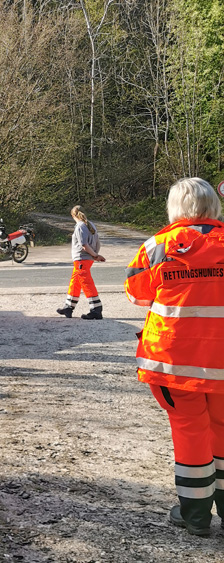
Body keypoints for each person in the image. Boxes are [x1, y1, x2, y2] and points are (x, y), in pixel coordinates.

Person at [126, 177, 224, 537]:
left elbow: (136, 295)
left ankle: (196, 516)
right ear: (214, 205)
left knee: (190, 432)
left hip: (175, 362)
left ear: (175, 209)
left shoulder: (159, 246)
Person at [56, 205, 105, 320]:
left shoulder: (79, 226)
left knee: (86, 283)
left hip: (81, 258)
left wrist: (94, 255)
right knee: (75, 282)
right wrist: (95, 255)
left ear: (73, 215)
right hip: (87, 259)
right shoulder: (91, 225)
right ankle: (68, 307)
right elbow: (98, 242)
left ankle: (96, 309)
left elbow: (84, 245)